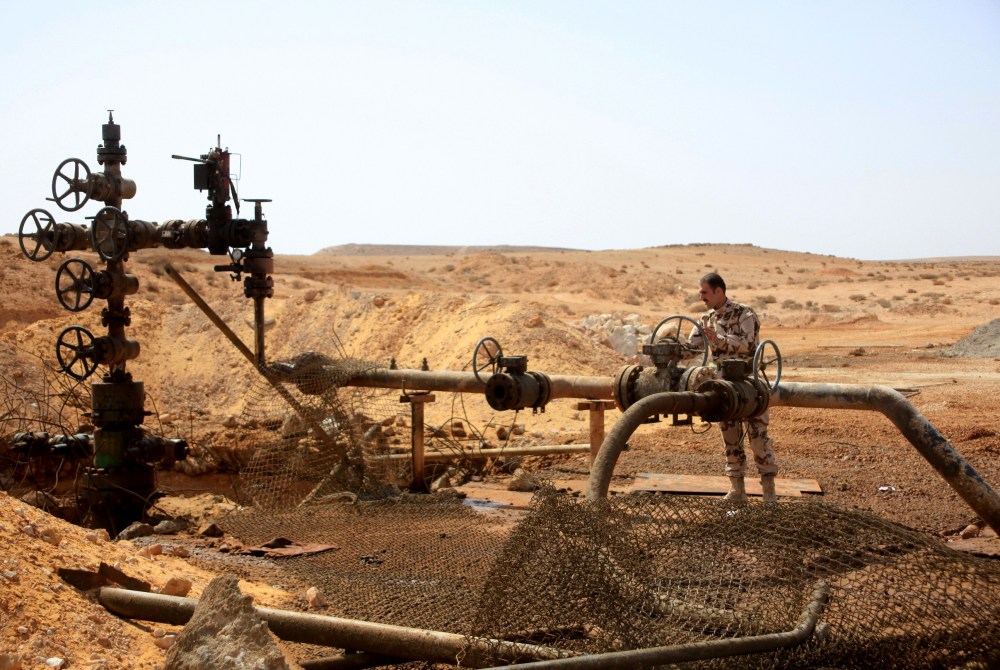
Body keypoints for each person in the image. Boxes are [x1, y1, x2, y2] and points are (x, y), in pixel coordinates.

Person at [688, 272, 778, 503]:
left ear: (719, 291)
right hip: (723, 387)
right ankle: (737, 491)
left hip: (750, 384)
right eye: (700, 293)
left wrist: (718, 340)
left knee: (758, 438)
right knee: (730, 438)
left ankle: (769, 493)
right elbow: (693, 348)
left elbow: (749, 343)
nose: (702, 298)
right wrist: (670, 348)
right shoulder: (706, 319)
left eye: (705, 293)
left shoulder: (744, 313)